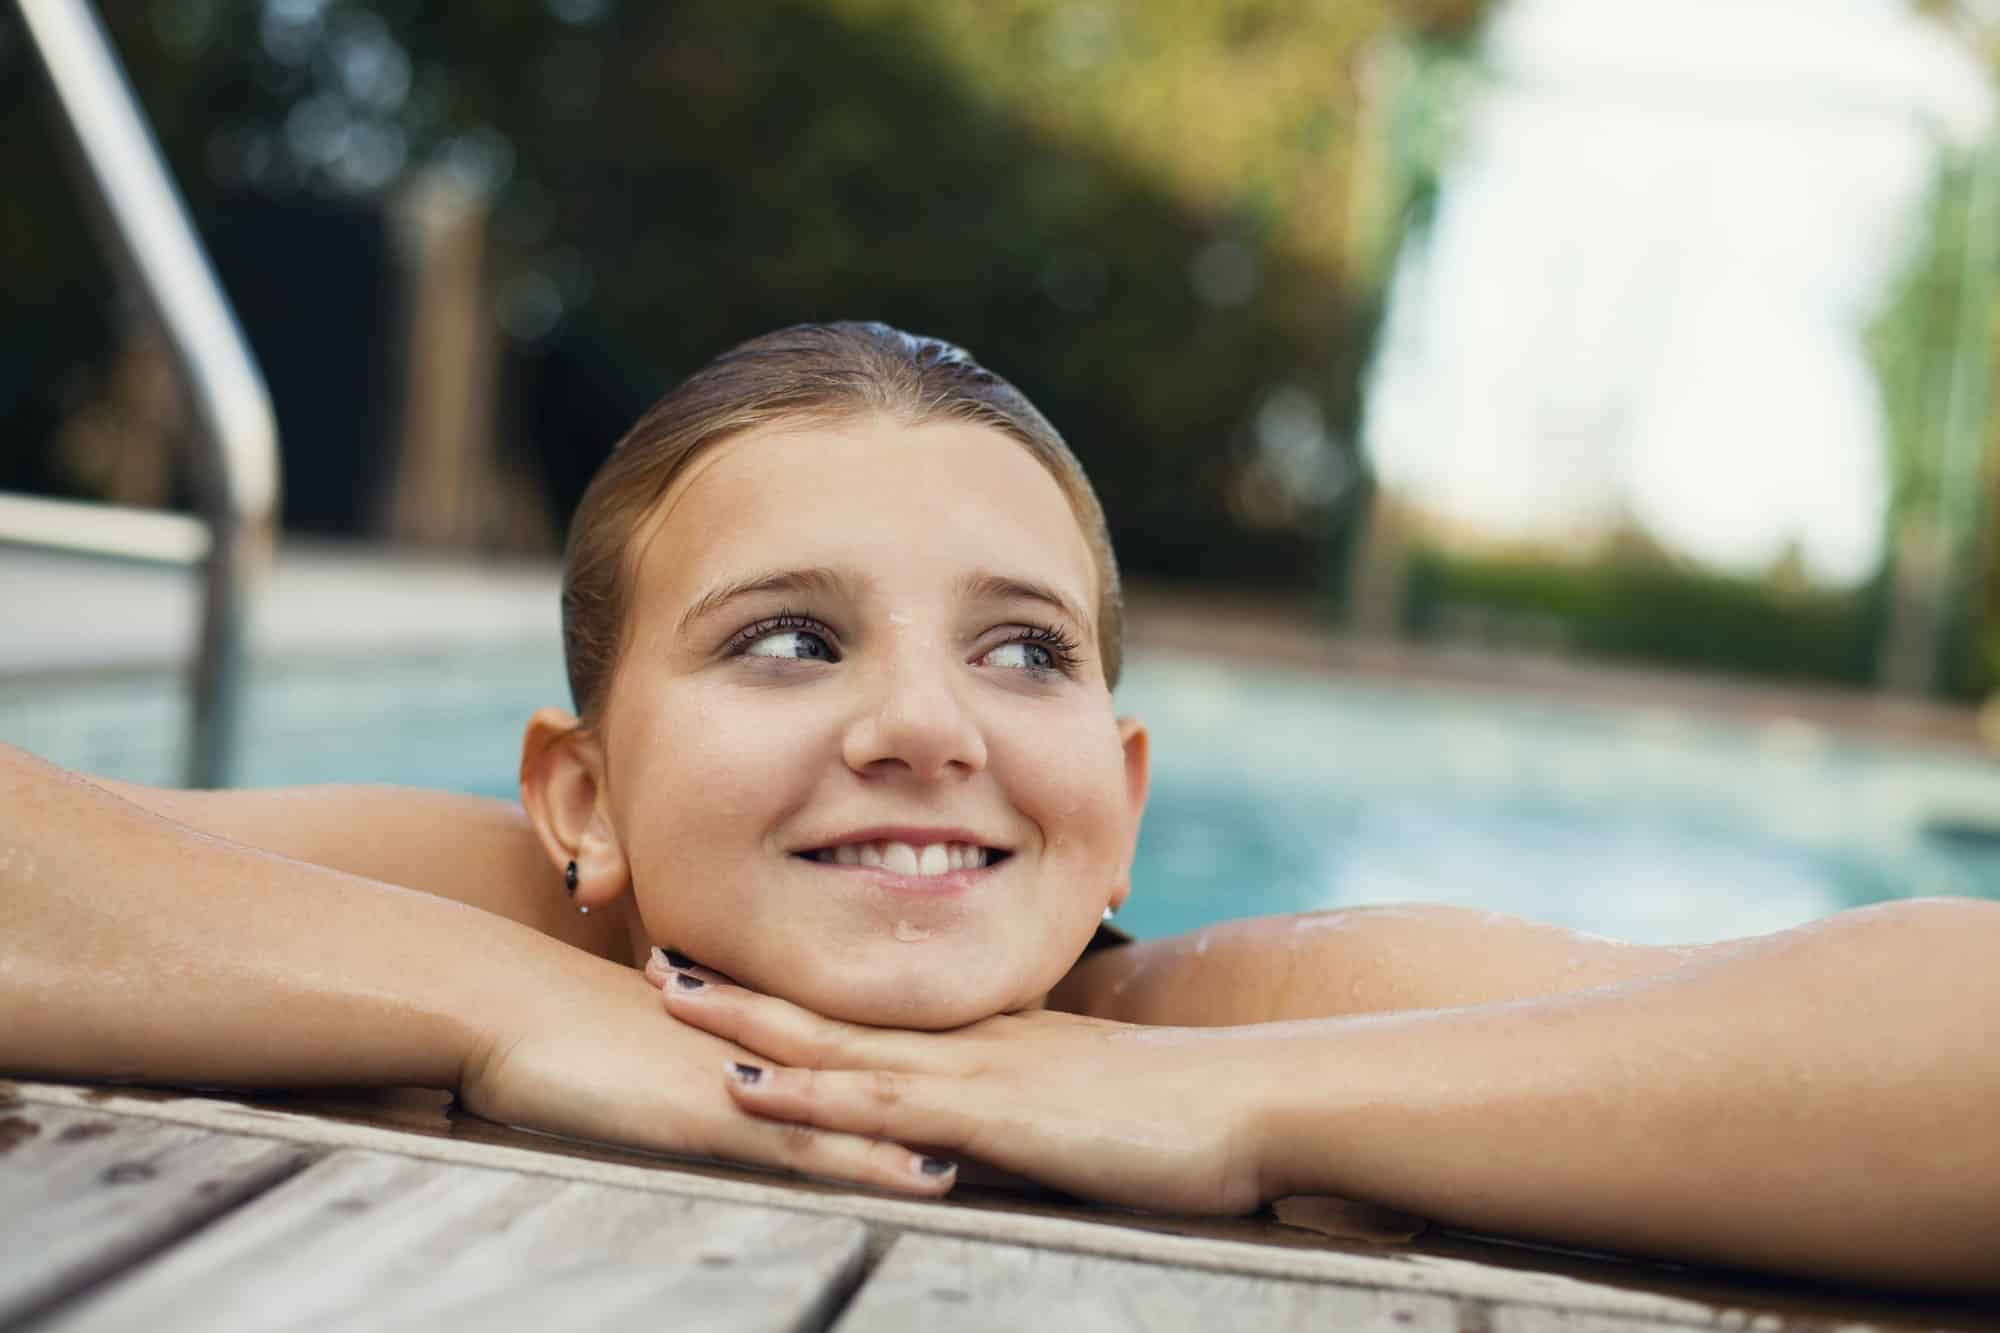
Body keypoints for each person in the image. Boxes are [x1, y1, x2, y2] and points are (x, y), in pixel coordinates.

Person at [3, 323, 1995, 1290]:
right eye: (790, 638)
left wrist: (1230, 1110)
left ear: (1120, 807)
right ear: (580, 793)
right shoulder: (525, 906)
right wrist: (516, 1001)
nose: (923, 725)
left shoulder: (1229, 1016)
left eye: (1024, 651)